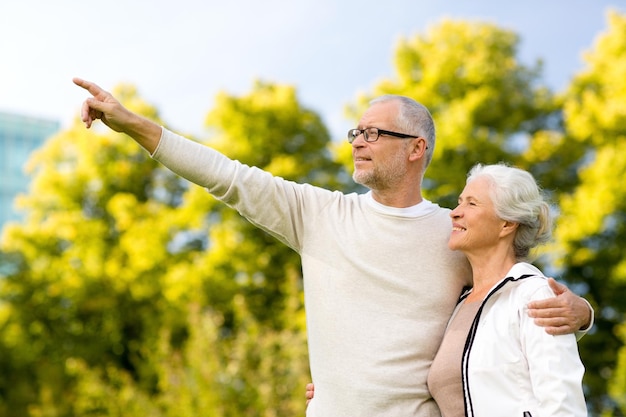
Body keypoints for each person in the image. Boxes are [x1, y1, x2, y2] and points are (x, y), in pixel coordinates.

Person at [73, 78, 592, 417]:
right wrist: (133, 124)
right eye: (355, 131)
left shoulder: (453, 232)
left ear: (417, 149)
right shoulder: (318, 215)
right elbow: (225, 176)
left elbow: (512, 295)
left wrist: (582, 311)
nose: (358, 141)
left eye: (374, 132)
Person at [427, 163, 587, 416]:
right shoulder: (458, 305)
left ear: (507, 224)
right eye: (459, 202)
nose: (455, 212)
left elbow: (563, 405)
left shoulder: (533, 296)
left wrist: (586, 314)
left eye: (472, 203)